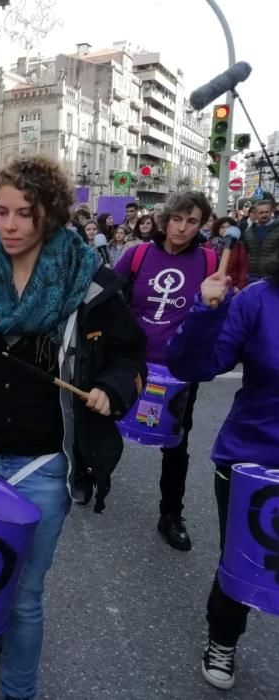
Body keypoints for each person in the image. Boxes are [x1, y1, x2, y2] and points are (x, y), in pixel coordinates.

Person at [0, 155, 146, 700]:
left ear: (51, 214)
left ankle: (20, 691)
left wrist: (112, 390)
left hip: (44, 463)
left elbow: (131, 353)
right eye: (1, 212)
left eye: (25, 213)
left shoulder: (86, 277)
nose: (11, 225)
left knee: (24, 595)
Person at [167, 248, 279, 692]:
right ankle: (223, 639)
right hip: (253, 461)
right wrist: (205, 310)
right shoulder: (255, 300)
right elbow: (194, 365)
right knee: (244, 561)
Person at [114, 190, 217, 551]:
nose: (183, 228)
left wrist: (218, 303)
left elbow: (218, 313)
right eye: (178, 219)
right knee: (102, 417)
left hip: (179, 366)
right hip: (131, 361)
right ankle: (85, 473)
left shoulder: (208, 260)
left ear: (201, 225)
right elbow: (107, 295)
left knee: (176, 442)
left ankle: (171, 513)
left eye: (192, 221)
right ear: (166, 219)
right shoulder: (138, 254)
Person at [241, 196, 279, 283]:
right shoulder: (249, 231)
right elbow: (245, 252)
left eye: (267, 212)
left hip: (274, 276)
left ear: (272, 212)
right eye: (261, 212)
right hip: (252, 275)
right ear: (256, 213)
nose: (264, 215)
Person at [205, 216, 249, 290]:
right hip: (213, 285)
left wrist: (239, 287)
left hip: (233, 286)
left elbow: (243, 268)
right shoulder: (208, 245)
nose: (226, 229)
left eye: (229, 227)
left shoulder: (239, 245)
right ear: (217, 229)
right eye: (222, 227)